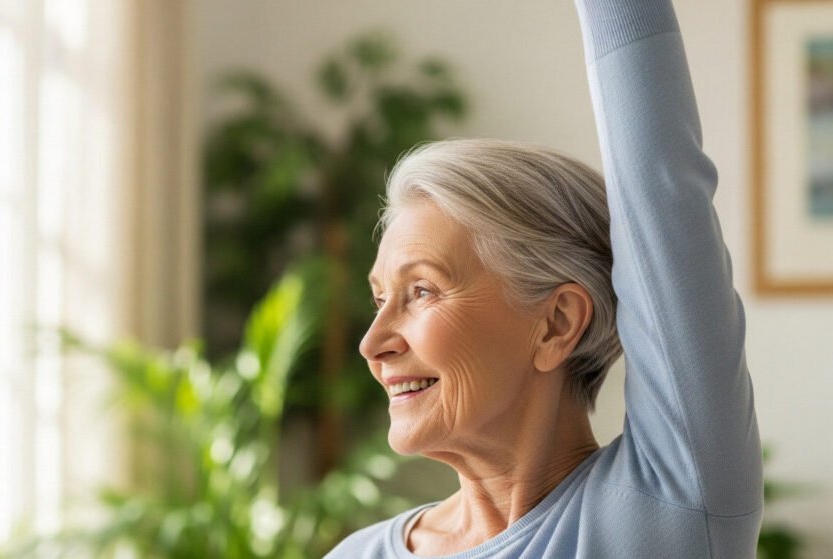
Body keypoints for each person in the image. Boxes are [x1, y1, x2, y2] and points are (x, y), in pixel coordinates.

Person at [326, 0, 763, 557]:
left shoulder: (667, 510)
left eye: (421, 291)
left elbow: (662, 191)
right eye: (380, 298)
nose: (372, 344)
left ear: (556, 324)